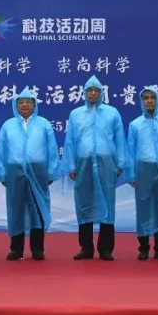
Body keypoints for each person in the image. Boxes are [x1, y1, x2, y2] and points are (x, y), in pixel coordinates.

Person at [63, 75, 126, 260]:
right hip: (83, 164)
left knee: (107, 203)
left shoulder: (112, 113)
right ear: (84, 93)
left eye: (96, 90)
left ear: (101, 93)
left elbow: (120, 139)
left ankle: (106, 249)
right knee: (84, 203)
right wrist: (71, 165)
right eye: (89, 90)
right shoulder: (76, 114)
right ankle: (86, 248)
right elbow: (70, 142)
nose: (92, 93)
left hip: (107, 163)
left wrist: (120, 162)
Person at [0, 87, 61, 260]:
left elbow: (52, 150)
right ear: (16, 105)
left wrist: (51, 172)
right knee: (16, 208)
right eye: (21, 102)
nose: (24, 105)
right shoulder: (8, 125)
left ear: (34, 105)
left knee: (37, 209)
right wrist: (3, 173)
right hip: (14, 172)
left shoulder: (44, 124)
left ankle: (37, 249)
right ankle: (16, 249)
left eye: (28, 102)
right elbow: (1, 151)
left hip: (38, 172)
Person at [125, 86, 158, 260]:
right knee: (144, 208)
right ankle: (143, 247)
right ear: (141, 102)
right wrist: (131, 174)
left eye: (152, 97)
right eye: (146, 98)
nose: (149, 101)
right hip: (143, 169)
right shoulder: (135, 125)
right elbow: (130, 151)